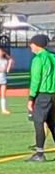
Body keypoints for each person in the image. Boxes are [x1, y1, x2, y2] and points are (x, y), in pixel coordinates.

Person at [27, 34, 55, 162]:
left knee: (38, 122)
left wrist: (31, 98)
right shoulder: (53, 57)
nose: (30, 46)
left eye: (31, 44)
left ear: (36, 44)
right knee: (52, 123)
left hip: (43, 95)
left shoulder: (38, 59)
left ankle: (39, 153)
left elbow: (36, 80)